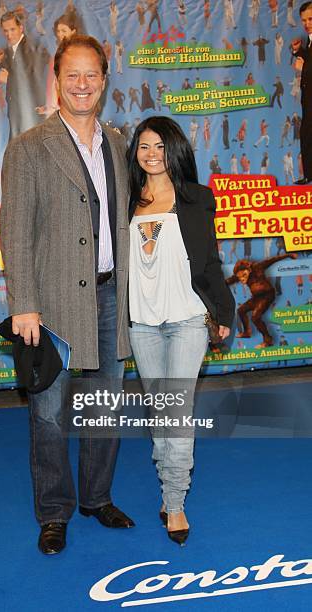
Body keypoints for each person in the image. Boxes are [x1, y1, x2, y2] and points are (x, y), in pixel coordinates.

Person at [0, 35, 134, 555]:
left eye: (91, 75)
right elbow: (15, 232)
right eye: (71, 75)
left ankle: (97, 498)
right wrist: (23, 304)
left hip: (109, 299)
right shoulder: (29, 147)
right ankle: (53, 512)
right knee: (49, 413)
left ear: (104, 79)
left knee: (106, 407)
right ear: (56, 80)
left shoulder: (120, 145)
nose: (82, 84)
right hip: (49, 303)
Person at [126, 117, 235, 544]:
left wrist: (223, 312)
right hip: (142, 324)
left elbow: (209, 264)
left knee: (176, 411)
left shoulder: (196, 198)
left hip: (188, 319)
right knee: (160, 411)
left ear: (175, 150)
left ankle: (175, 503)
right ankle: (169, 484)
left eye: (159, 146)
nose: (151, 155)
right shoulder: (125, 201)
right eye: (143, 147)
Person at [0, 11, 49, 139]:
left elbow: (32, 78)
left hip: (30, 112)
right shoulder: (10, 49)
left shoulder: (31, 49)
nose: (9, 34)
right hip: (17, 113)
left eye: (12, 29)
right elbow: (13, 68)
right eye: (5, 30)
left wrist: (9, 79)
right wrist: (0, 62)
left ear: (21, 28)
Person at [291, 2, 312, 183]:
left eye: (311, 19)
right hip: (308, 100)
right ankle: (308, 175)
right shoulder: (310, 40)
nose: (307, 23)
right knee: (306, 135)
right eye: (304, 20)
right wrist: (298, 51)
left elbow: (308, 68)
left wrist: (303, 69)